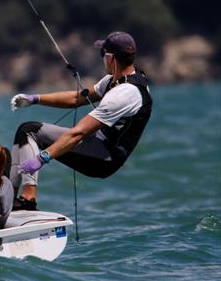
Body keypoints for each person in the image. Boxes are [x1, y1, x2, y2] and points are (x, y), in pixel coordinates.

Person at [9, 31, 152, 211]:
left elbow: (78, 133)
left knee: (29, 131)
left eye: (103, 54)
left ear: (111, 59)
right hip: (100, 142)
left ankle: (28, 198)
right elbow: (77, 98)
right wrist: (35, 99)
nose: (102, 58)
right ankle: (9, 197)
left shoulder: (124, 94)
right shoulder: (116, 80)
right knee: (26, 130)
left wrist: (43, 157)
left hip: (105, 158)